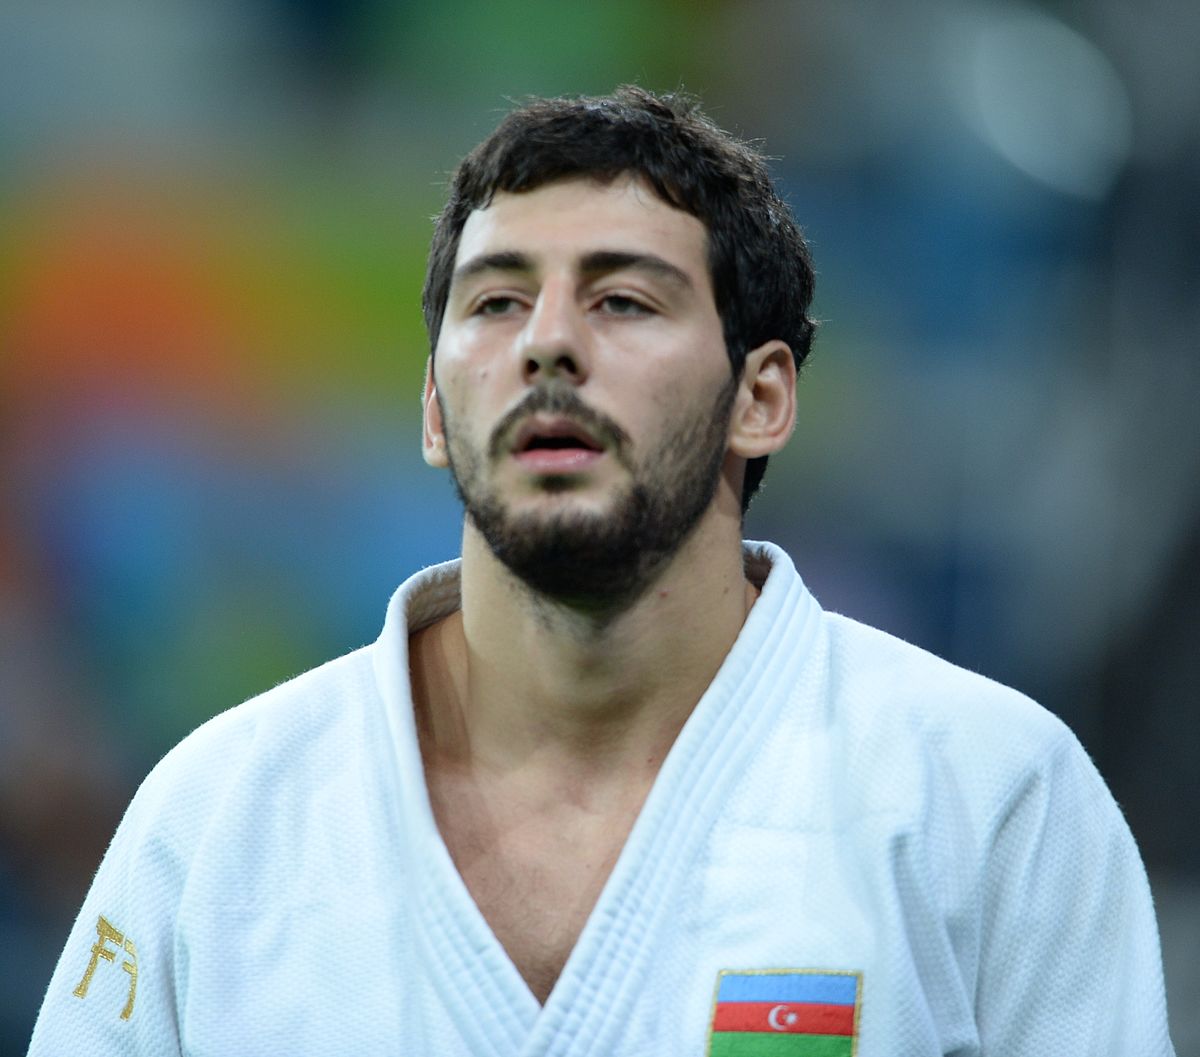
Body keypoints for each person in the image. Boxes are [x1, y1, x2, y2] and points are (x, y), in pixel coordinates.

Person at [28, 86, 1174, 1057]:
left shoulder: (986, 797)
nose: (548, 341)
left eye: (623, 299)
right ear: (434, 406)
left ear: (761, 398)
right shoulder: (219, 818)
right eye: (496, 302)